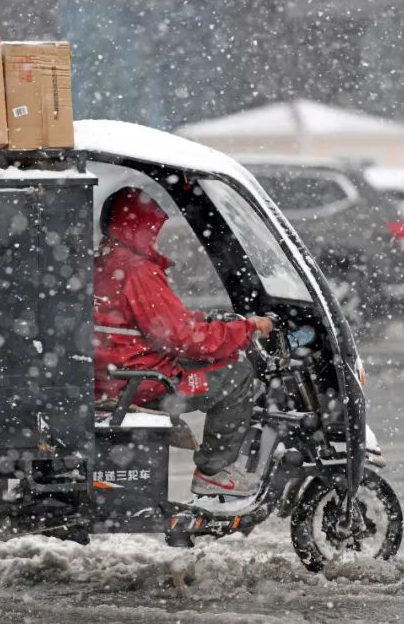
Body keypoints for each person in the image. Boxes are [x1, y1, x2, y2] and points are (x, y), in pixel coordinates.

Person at [93, 186, 274, 497]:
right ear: (136, 229)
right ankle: (215, 472)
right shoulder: (138, 271)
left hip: (109, 373)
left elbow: (156, 323)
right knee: (236, 373)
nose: (155, 238)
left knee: (214, 358)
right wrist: (245, 330)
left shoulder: (103, 261)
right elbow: (183, 339)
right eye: (152, 230)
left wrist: (206, 320)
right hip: (138, 382)